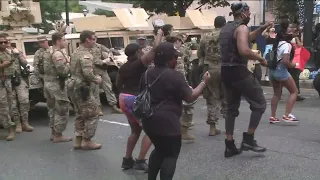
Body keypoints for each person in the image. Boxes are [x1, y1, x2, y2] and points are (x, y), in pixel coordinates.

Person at [141, 42, 210, 180]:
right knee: (170, 155)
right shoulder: (175, 75)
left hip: (148, 120)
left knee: (159, 150)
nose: (176, 60)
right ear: (169, 59)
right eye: (175, 57)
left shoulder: (147, 73)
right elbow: (190, 97)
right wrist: (203, 82)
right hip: (168, 122)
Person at [220, 2, 270, 158]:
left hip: (226, 71)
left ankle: (229, 145)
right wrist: (261, 59)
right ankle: (248, 139)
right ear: (243, 13)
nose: (249, 16)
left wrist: (261, 29)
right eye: (248, 13)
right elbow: (244, 49)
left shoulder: (226, 28)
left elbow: (245, 38)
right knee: (260, 103)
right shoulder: (241, 27)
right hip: (238, 70)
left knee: (231, 107)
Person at [117, 29, 163, 171]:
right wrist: (159, 34)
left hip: (123, 98)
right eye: (141, 50)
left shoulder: (123, 67)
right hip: (135, 99)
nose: (143, 51)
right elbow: (155, 49)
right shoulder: (139, 64)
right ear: (137, 52)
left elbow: (118, 84)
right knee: (152, 131)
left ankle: (127, 159)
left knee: (135, 131)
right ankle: (141, 160)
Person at [70, 30, 102, 150]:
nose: (95, 41)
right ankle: (87, 140)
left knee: (80, 114)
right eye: (93, 39)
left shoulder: (75, 52)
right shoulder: (86, 55)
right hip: (82, 87)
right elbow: (87, 73)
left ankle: (78, 140)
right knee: (92, 113)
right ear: (87, 39)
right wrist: (96, 79)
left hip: (74, 85)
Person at [198, 16, 226, 136]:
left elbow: (200, 54)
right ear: (224, 24)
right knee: (227, 97)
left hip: (209, 69)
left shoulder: (205, 36)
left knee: (211, 98)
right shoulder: (227, 36)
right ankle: (229, 126)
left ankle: (212, 127)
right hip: (225, 68)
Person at [166, 32, 196, 141]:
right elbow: (180, 72)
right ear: (177, 41)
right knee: (189, 105)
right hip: (178, 84)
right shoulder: (176, 54)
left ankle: (172, 130)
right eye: (180, 42)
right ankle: (184, 131)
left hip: (168, 84)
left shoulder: (165, 52)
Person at [269, 20, 299, 124]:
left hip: (272, 71)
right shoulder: (287, 45)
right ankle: (287, 115)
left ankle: (273, 117)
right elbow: (285, 61)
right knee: (294, 92)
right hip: (281, 71)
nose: (292, 31)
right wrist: (293, 65)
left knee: (277, 93)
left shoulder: (277, 43)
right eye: (290, 30)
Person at [44, 32, 71, 143]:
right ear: (58, 41)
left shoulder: (48, 51)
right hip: (56, 85)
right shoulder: (58, 54)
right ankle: (58, 134)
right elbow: (63, 71)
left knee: (52, 109)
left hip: (48, 84)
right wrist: (70, 63)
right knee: (62, 110)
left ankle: (53, 133)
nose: (66, 42)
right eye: (64, 40)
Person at [7, 40, 33, 133]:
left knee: (24, 99)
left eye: (8, 41)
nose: (7, 43)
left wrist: (18, 54)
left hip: (18, 79)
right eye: (4, 42)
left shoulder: (16, 51)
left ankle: (25, 122)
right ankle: (17, 123)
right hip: (6, 80)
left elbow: (25, 63)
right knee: (12, 103)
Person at [91, 41, 122, 114]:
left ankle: (113, 106)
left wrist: (110, 54)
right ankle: (98, 108)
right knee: (95, 90)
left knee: (108, 87)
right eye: (92, 38)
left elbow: (109, 50)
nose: (94, 39)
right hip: (94, 71)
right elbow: (94, 61)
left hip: (103, 70)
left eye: (95, 37)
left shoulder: (99, 46)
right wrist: (105, 61)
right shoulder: (87, 49)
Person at [0, 33, 15, 141]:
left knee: (10, 104)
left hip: (8, 81)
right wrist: (2, 66)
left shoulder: (8, 52)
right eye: (1, 42)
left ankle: (12, 125)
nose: (4, 44)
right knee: (3, 106)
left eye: (6, 42)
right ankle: (10, 129)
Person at [289, 25, 305, 101]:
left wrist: (299, 36)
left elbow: (301, 44)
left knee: (295, 76)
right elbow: (299, 45)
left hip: (295, 58)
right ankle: (295, 93)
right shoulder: (290, 38)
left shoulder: (295, 37)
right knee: (294, 76)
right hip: (292, 59)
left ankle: (296, 93)